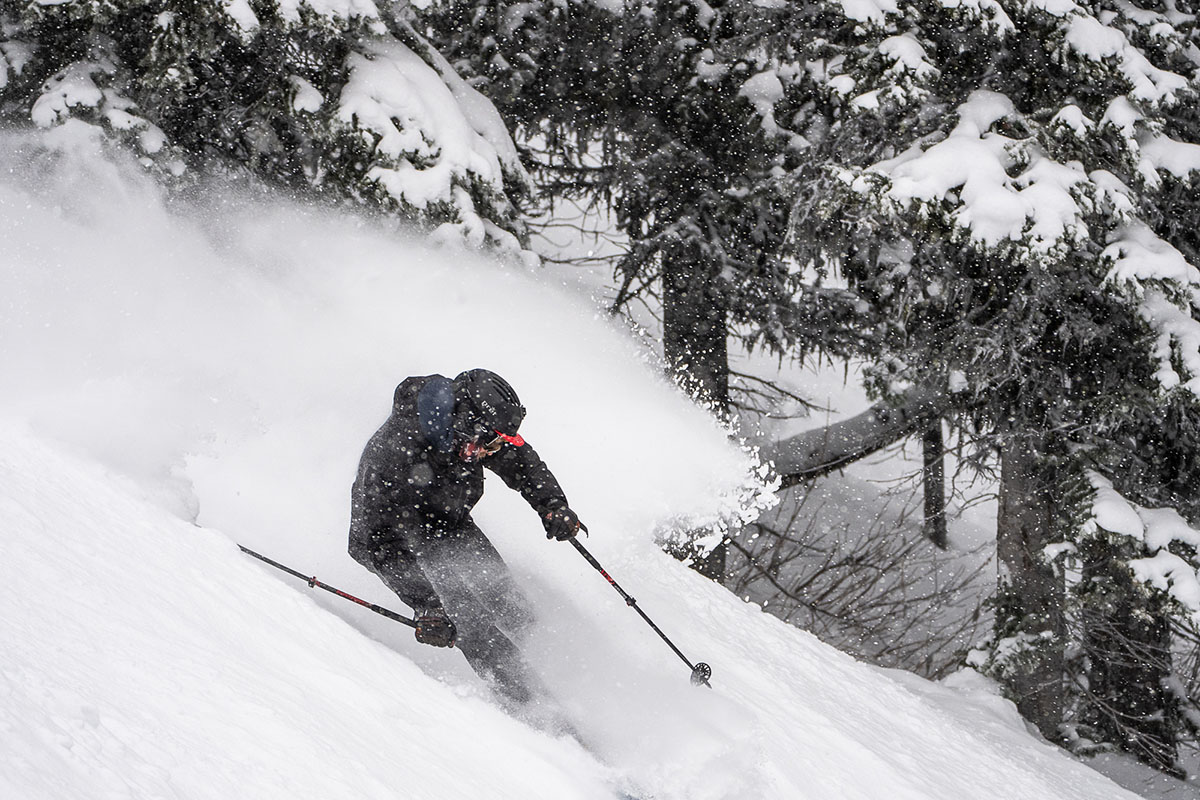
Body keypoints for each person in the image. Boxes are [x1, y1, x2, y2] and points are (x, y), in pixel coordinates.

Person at [348, 369, 584, 707]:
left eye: (501, 442)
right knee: (470, 620)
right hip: (392, 537)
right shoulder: (395, 453)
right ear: (466, 424)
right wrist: (426, 605)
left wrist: (552, 506)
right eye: (493, 442)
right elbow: (379, 543)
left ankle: (569, 678)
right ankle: (535, 707)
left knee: (505, 596)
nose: (496, 450)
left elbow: (521, 461)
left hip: (447, 521)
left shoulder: (470, 436)